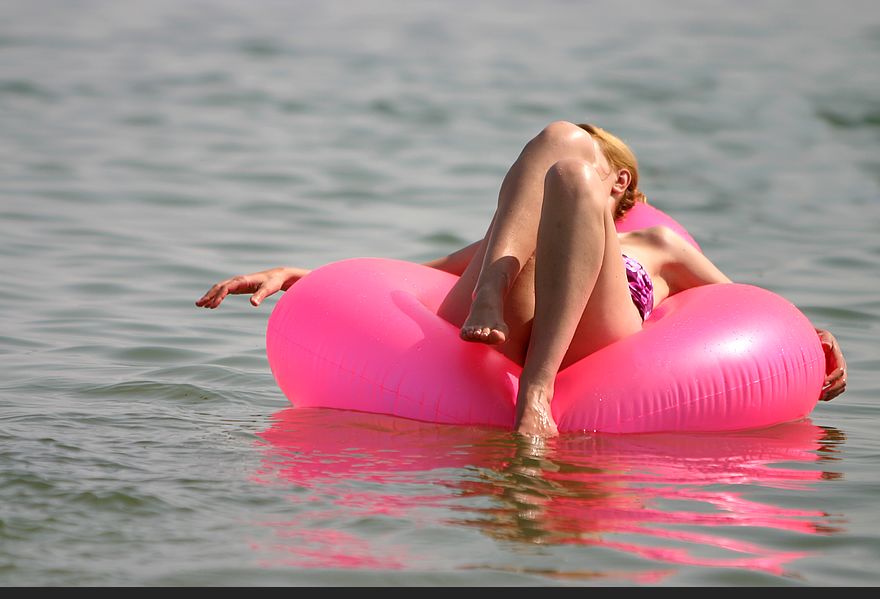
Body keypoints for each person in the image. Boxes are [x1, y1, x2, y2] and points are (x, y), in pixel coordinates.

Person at [197, 121, 847, 435]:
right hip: (500, 300)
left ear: (623, 182)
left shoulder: (658, 243)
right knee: (557, 143)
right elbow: (403, 277)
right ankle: (493, 297)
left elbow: (739, 308)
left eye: (600, 156)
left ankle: (536, 387)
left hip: (594, 332)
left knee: (567, 171)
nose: (581, 155)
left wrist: (811, 336)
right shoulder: (516, 231)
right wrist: (301, 274)